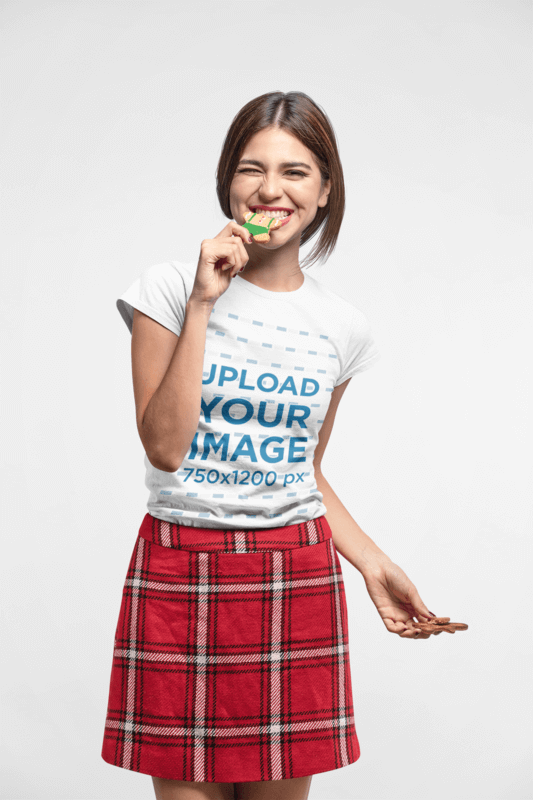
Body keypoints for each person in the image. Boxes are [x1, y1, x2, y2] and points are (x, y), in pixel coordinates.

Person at [101, 91, 436, 800]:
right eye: (251, 168)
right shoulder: (167, 289)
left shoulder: (340, 328)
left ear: (322, 192)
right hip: (179, 567)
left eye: (294, 171)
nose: (269, 188)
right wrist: (201, 303)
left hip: (295, 568)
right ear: (228, 180)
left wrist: (373, 566)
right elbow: (164, 447)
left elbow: (304, 470)